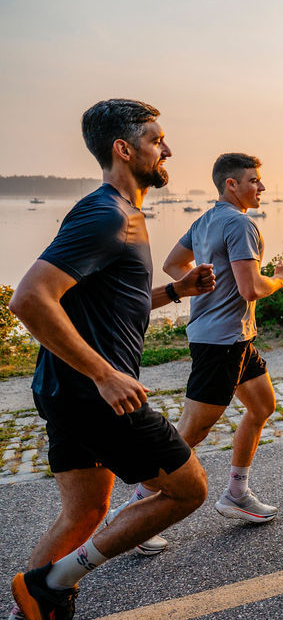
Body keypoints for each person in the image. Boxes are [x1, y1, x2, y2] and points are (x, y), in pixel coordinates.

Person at [8, 99, 214, 620]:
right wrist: (104, 374)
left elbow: (111, 300)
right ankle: (56, 582)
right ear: (124, 149)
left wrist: (175, 290)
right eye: (156, 139)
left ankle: (32, 605)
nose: (167, 149)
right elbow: (30, 299)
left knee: (85, 511)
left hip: (64, 390)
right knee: (188, 490)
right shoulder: (109, 215)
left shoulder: (121, 215)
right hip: (92, 395)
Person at [105, 153, 283, 552]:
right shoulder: (241, 224)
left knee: (262, 407)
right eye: (254, 181)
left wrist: (201, 284)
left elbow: (176, 264)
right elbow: (251, 289)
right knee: (191, 432)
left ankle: (237, 494)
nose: (261, 188)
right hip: (220, 344)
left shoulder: (205, 220)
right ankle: (137, 512)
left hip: (235, 339)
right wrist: (278, 279)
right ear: (231, 185)